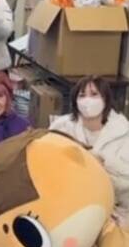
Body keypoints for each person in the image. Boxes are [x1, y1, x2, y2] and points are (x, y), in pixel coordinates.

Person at [50, 76, 129, 226]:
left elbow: (126, 183)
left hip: (115, 212)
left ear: (106, 99)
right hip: (69, 206)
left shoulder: (123, 133)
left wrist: (103, 169)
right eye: (82, 95)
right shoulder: (61, 127)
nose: (88, 100)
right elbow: (49, 167)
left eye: (94, 94)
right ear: (75, 100)